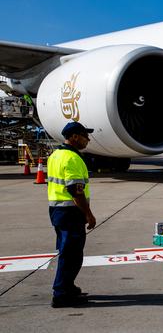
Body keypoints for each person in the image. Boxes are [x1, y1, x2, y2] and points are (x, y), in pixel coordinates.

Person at [47, 122, 96, 308]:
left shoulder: (56, 155)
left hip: (57, 210)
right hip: (70, 213)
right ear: (75, 137)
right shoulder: (72, 158)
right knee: (71, 255)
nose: (88, 139)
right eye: (85, 135)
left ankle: (67, 287)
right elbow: (76, 191)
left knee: (67, 252)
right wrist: (89, 215)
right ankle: (61, 294)